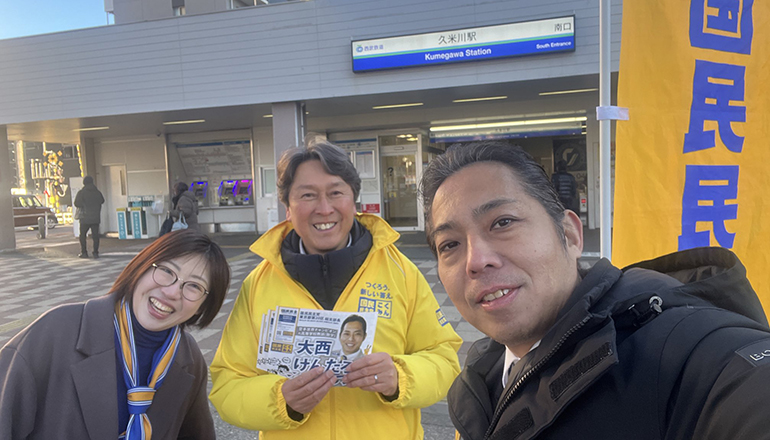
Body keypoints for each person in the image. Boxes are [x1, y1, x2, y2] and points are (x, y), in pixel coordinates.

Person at [419, 141, 770, 440]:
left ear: (570, 235)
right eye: (449, 244)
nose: (475, 261)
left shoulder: (686, 352)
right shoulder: (485, 376)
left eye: (503, 223)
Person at [209, 139, 462, 439]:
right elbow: (227, 384)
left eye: (335, 192)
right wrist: (282, 399)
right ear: (288, 208)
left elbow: (445, 359)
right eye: (307, 195)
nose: (324, 208)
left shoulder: (400, 271)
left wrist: (400, 376)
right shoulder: (258, 284)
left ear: (353, 201)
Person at [0, 229, 231, 440]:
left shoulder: (188, 359)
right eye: (166, 271)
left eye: (193, 286)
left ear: (202, 305)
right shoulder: (57, 331)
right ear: (141, 267)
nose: (172, 292)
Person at [74, 175, 105, 258]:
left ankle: (84, 252)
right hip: (95, 217)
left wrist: (84, 204)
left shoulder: (82, 192)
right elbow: (102, 201)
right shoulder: (97, 192)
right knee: (95, 236)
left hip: (85, 217)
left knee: (83, 235)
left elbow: (76, 203)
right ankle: (95, 252)